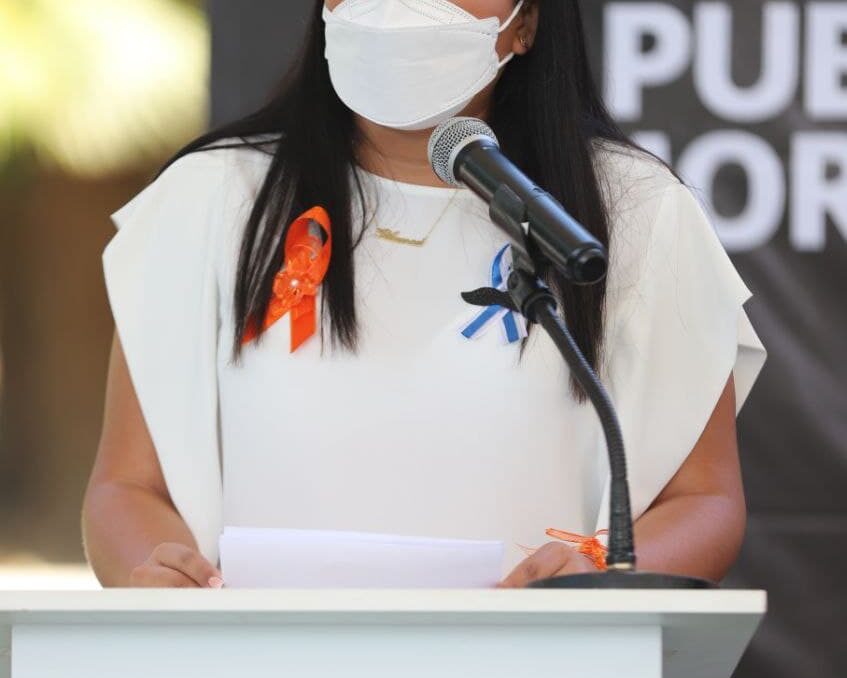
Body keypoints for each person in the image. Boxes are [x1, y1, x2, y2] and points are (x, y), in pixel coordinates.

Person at [82, 0, 767, 589]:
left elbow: (702, 500)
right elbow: (128, 486)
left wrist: (596, 575)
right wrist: (164, 575)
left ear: (526, 22)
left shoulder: (633, 211)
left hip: (533, 676)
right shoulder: (210, 196)